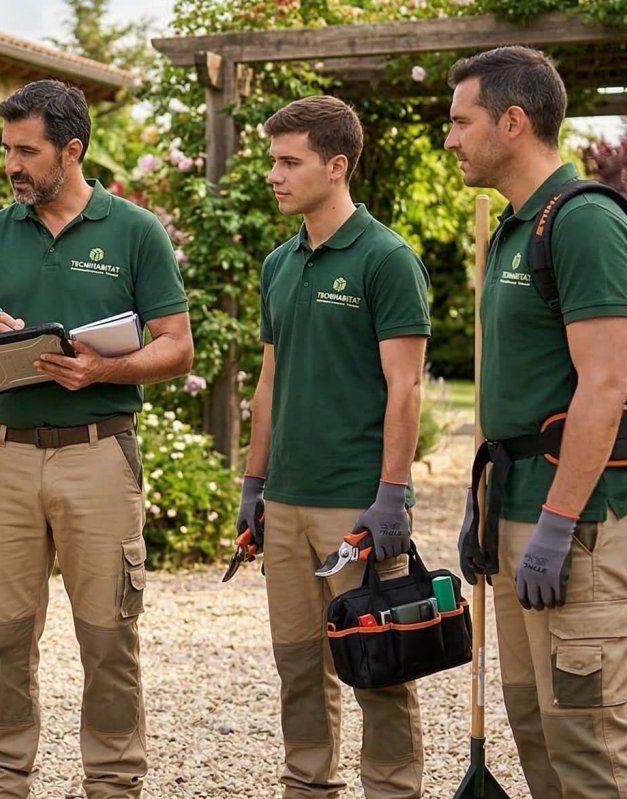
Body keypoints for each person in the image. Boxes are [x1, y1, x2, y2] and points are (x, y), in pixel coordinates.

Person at [0, 79, 193, 799]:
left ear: (72, 150)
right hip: (6, 457)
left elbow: (177, 348)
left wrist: (104, 368)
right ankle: (1, 784)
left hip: (99, 452)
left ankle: (113, 783)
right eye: (7, 149)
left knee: (110, 638)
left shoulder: (135, 231)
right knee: (2, 639)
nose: (11, 165)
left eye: (27, 151)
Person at [446, 46, 627, 798]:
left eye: (461, 121)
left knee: (589, 736)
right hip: (516, 510)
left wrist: (559, 524)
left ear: (513, 121)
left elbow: (605, 385)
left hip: (582, 521)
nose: (450, 138)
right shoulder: (516, 227)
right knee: (536, 724)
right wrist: (483, 508)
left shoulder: (582, 222)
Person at [228, 95, 431, 799]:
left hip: (356, 506)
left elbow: (405, 386)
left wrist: (391, 496)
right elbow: (269, 381)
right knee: (297, 666)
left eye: (290, 162)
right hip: (285, 504)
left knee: (378, 666)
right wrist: (254, 485)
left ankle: (394, 790)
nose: (274, 175)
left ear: (337, 165)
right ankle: (307, 786)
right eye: (273, 161)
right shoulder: (279, 264)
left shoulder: (387, 259)